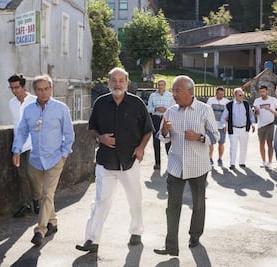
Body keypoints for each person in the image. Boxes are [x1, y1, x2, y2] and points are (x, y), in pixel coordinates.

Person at [76, 67, 153, 253]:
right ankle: (91, 240)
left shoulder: (137, 104)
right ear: (108, 83)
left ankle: (136, 231)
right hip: (106, 162)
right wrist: (100, 138)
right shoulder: (101, 103)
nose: (117, 84)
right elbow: (92, 128)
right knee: (100, 201)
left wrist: (141, 148)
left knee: (135, 200)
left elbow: (148, 129)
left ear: (127, 83)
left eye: (121, 80)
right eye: (113, 80)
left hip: (129, 161)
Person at [153, 75, 219, 256]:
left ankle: (195, 234)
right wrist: (165, 131)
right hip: (175, 166)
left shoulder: (205, 110)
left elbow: (216, 136)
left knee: (198, 204)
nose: (173, 94)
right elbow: (162, 137)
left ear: (190, 92)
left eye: (177, 90)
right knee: (172, 207)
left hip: (198, 166)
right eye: (173, 90)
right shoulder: (170, 112)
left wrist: (199, 137)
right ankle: (171, 246)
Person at [12, 74, 75, 246]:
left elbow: (69, 134)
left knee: (48, 194)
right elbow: (22, 131)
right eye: (39, 89)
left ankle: (40, 230)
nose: (43, 92)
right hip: (35, 160)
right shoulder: (29, 110)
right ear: (34, 91)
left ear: (51, 89)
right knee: (41, 195)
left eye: (46, 88)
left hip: (55, 159)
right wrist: (16, 149)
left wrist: (64, 154)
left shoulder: (61, 108)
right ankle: (52, 221)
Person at [8, 73, 40, 218]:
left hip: (34, 144)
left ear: (23, 86)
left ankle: (37, 200)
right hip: (19, 144)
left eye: (17, 87)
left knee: (31, 174)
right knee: (21, 175)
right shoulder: (11, 103)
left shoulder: (34, 101)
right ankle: (26, 204)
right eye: (12, 88)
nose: (14, 91)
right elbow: (16, 125)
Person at [220, 88, 256, 170]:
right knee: (233, 147)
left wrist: (253, 124)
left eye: (242, 95)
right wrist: (224, 126)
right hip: (234, 129)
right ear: (235, 95)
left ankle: (242, 162)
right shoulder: (229, 105)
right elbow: (223, 118)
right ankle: (232, 163)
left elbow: (251, 115)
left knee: (244, 146)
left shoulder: (246, 104)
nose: (242, 97)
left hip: (244, 129)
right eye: (240, 95)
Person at [147, 78, 175, 170]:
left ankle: (171, 163)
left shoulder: (170, 96)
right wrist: (155, 109)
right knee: (156, 141)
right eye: (159, 85)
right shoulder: (152, 96)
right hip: (156, 119)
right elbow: (148, 108)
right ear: (157, 86)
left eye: (162, 85)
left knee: (168, 141)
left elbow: (174, 108)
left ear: (165, 86)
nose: (160, 86)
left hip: (166, 119)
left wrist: (166, 110)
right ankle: (157, 163)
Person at [253, 84, 277, 170]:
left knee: (270, 144)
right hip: (260, 125)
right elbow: (255, 113)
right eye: (261, 92)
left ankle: (270, 162)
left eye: (264, 91)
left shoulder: (273, 100)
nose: (262, 93)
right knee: (261, 144)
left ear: (267, 91)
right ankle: (263, 161)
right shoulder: (257, 101)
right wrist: (256, 112)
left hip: (270, 124)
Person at [206, 87, 230, 167]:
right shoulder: (210, 101)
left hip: (222, 126)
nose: (221, 96)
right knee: (211, 143)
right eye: (219, 94)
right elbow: (206, 112)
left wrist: (226, 125)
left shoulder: (226, 102)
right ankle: (210, 159)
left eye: (222, 94)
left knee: (221, 143)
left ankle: (220, 159)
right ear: (216, 94)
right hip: (211, 126)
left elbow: (229, 114)